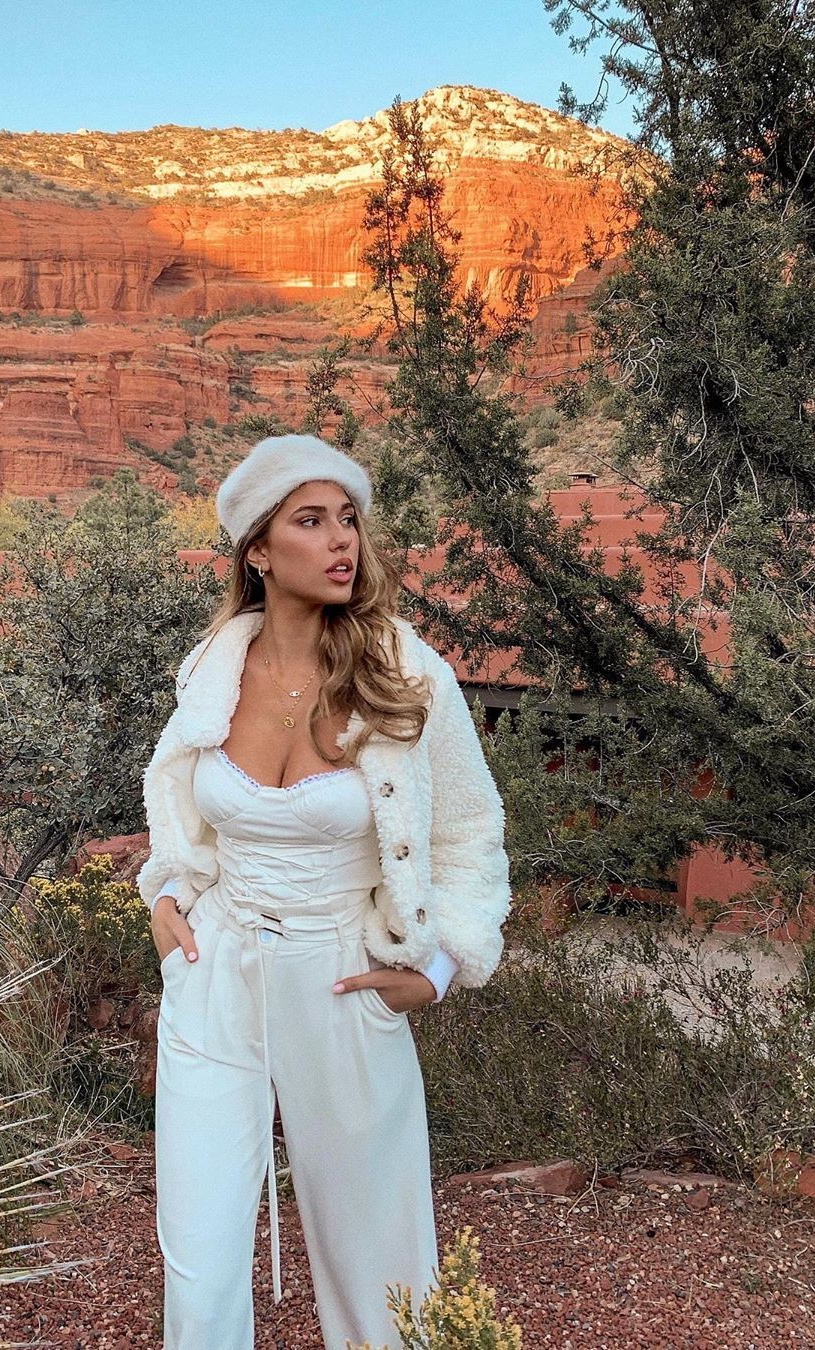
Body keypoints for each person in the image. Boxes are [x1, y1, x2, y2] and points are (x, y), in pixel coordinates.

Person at [136, 434, 513, 1350]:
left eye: (348, 518)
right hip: (216, 971)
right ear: (259, 551)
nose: (342, 539)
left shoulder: (408, 676)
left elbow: (469, 830)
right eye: (310, 521)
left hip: (344, 976)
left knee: (380, 1260)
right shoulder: (210, 669)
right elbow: (182, 806)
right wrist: (167, 896)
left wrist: (439, 965)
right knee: (199, 1257)